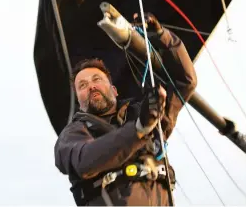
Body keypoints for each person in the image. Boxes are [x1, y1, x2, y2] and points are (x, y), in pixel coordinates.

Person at [54, 13, 197, 206]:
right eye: (82, 85)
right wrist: (139, 129)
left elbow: (185, 81)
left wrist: (161, 35)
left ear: (114, 90)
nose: (91, 86)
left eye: (97, 80)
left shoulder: (146, 113)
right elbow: (85, 161)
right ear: (78, 100)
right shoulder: (72, 135)